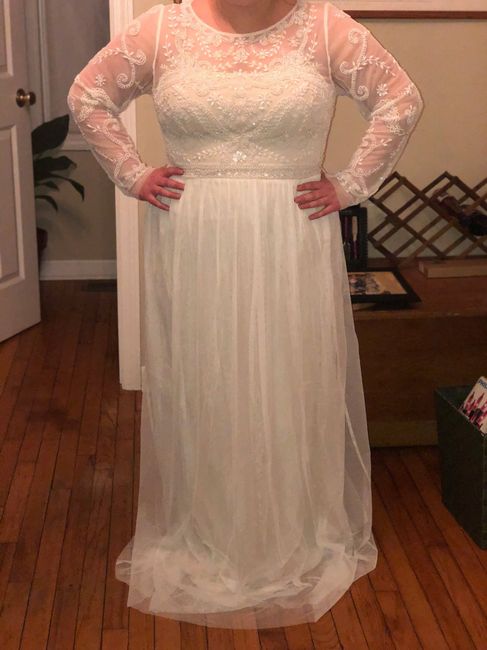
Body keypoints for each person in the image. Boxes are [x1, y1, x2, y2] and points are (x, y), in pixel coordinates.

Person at [67, 0, 423, 630]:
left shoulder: (325, 27)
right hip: (195, 235)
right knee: (208, 381)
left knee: (288, 379)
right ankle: (212, 527)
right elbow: (88, 95)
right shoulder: (161, 28)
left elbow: (401, 100)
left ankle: (286, 530)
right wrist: (132, 173)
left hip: (290, 234)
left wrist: (351, 183)